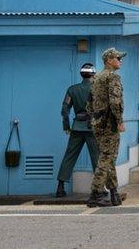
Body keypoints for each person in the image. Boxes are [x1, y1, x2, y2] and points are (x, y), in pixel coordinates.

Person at [86, 48, 126, 207]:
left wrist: (94, 118)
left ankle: (114, 193)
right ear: (109, 60)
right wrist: (119, 121)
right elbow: (115, 102)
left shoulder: (96, 78)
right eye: (118, 58)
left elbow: (89, 103)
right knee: (107, 157)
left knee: (108, 158)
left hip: (98, 123)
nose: (120, 60)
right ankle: (95, 193)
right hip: (109, 124)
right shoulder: (112, 77)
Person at [56, 63, 100, 197]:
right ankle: (98, 189)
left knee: (69, 156)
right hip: (93, 127)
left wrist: (66, 126)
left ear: (82, 74)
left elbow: (65, 110)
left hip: (77, 127)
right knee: (97, 157)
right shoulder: (98, 89)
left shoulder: (72, 89)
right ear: (93, 74)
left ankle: (60, 187)